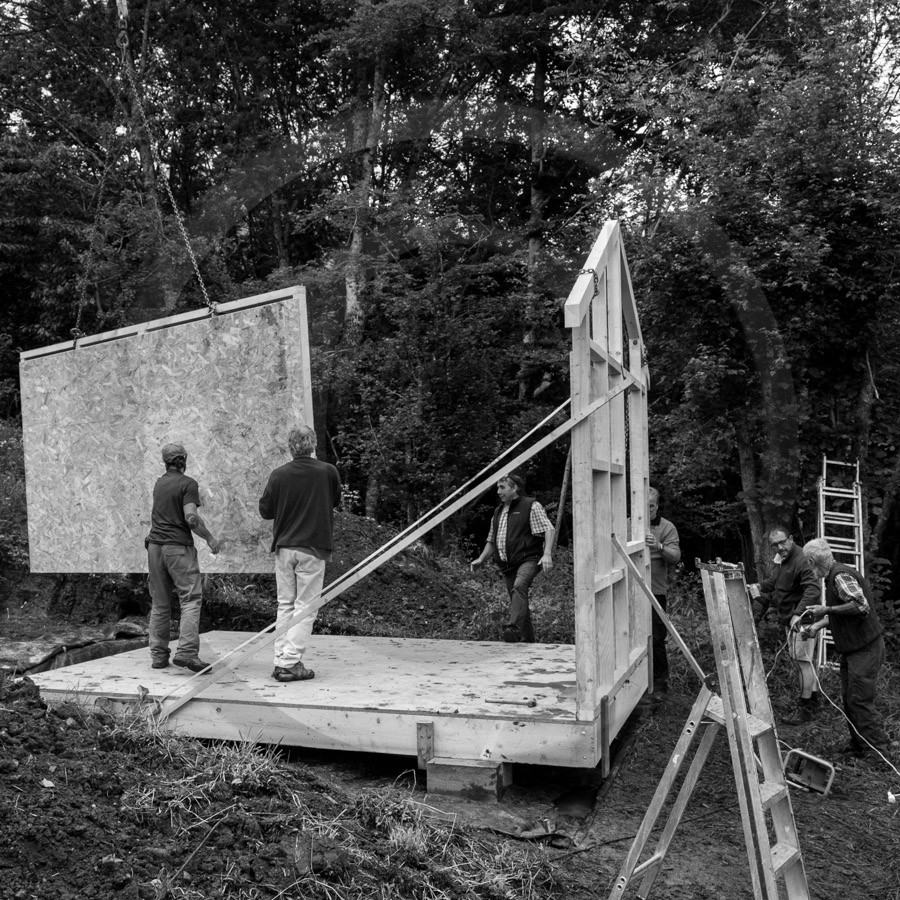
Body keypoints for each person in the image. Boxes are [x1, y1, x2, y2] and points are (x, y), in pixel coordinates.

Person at [800, 538, 897, 759]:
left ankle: (878, 754)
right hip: (855, 650)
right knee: (849, 698)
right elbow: (844, 612)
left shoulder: (840, 576)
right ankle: (859, 747)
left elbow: (860, 606)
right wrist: (817, 625)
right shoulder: (836, 575)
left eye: (808, 564)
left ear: (812, 560)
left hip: (866, 649)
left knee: (859, 700)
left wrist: (827, 609)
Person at [259, 423, 341, 683]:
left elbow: (265, 511)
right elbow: (335, 501)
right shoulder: (328, 472)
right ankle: (290, 663)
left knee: (285, 604)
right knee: (305, 607)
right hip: (313, 547)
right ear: (314, 444)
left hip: (284, 548)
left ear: (290, 447)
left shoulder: (278, 475)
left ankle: (281, 659)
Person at [145, 442, 222, 672]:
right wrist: (210, 538)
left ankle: (158, 656)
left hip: (155, 547)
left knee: (160, 602)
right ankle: (187, 653)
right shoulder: (188, 484)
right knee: (190, 600)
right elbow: (191, 516)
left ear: (165, 462)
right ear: (184, 460)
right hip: (177, 548)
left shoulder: (159, 483)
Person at [747, 526, 820, 724]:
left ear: (791, 538)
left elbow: (813, 590)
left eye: (782, 542)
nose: (779, 547)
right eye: (775, 545)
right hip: (791, 618)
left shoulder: (802, 559)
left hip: (802, 619)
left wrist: (798, 614)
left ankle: (804, 709)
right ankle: (814, 702)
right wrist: (759, 587)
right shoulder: (781, 560)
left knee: (802, 662)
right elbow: (774, 582)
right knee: (801, 661)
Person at [470, 472, 554, 643]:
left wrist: (547, 554)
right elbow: (492, 541)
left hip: (529, 558)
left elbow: (549, 529)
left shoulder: (531, 505)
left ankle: (512, 627)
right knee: (519, 600)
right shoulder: (498, 511)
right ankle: (528, 641)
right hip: (508, 565)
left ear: (515, 488)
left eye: (502, 487)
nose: (499, 492)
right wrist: (481, 559)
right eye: (497, 488)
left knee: (519, 586)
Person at [647, 487, 681, 694]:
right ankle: (638, 682)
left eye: (651, 506)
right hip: (629, 590)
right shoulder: (627, 523)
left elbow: (675, 556)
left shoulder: (666, 527)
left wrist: (659, 546)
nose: (647, 510)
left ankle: (660, 684)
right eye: (643, 506)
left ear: (657, 506)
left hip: (655, 591)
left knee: (656, 638)